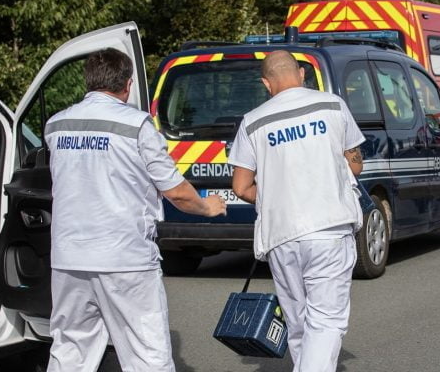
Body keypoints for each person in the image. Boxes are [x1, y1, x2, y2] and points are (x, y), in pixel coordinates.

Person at [43, 48, 226, 372]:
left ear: (88, 81)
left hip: (69, 257)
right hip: (124, 257)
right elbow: (177, 193)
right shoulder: (136, 125)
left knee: (70, 349)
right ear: (127, 85)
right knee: (146, 353)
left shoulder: (57, 125)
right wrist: (207, 207)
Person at [229, 50, 364, 372]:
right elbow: (355, 165)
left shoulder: (253, 121)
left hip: (281, 235)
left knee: (298, 321)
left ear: (266, 83)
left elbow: (241, 187)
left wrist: (279, 192)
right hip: (328, 228)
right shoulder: (332, 105)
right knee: (326, 321)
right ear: (302, 73)